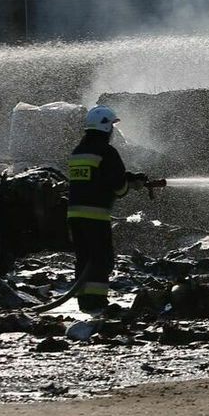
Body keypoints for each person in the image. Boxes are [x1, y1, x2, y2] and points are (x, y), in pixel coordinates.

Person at [66, 105, 148, 313]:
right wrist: (130, 185)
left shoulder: (79, 151)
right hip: (96, 214)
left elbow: (95, 179)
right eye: (111, 125)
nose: (112, 130)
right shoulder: (107, 151)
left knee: (84, 258)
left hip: (74, 214)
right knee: (101, 258)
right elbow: (118, 188)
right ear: (105, 127)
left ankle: (85, 302)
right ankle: (97, 303)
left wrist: (128, 178)